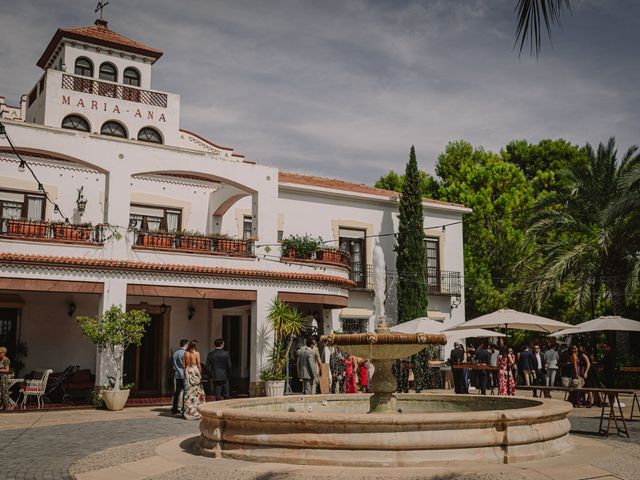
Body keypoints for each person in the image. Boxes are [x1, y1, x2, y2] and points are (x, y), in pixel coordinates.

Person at [181, 340, 205, 420]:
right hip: (195, 370)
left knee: (188, 391)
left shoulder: (185, 353)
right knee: (196, 390)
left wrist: (186, 372)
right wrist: (200, 374)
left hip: (188, 371)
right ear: (194, 346)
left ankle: (188, 410)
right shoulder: (197, 353)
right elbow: (198, 364)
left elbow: (183, 365)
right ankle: (196, 409)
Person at [171, 339, 188, 415]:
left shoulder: (175, 353)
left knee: (177, 392)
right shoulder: (185, 353)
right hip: (183, 375)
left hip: (177, 374)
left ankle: (174, 408)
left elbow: (173, 366)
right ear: (185, 345)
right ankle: (183, 408)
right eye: (187, 345)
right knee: (185, 392)